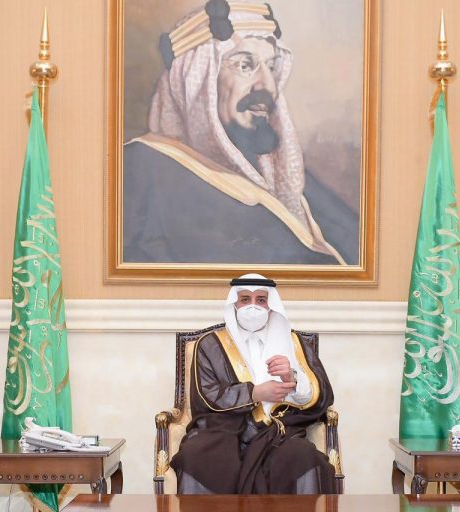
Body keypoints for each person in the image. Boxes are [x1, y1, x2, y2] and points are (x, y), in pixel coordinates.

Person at [123, 0, 359, 265]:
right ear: (196, 83)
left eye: (271, 66)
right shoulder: (139, 172)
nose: (268, 85)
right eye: (244, 65)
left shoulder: (286, 177)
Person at [171, 273, 337, 493]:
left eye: (261, 300)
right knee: (195, 456)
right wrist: (254, 393)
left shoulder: (294, 343)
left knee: (303, 457)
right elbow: (206, 394)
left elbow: (321, 395)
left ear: (271, 305)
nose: (253, 306)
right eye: (245, 299)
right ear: (235, 304)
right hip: (223, 430)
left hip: (279, 432)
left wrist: (294, 379)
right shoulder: (210, 345)